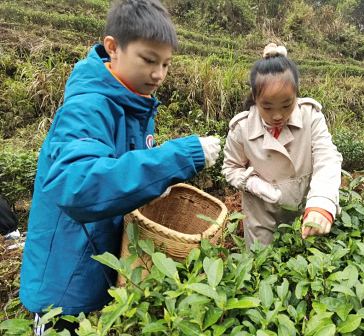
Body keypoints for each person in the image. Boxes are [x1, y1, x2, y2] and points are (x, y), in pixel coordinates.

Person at [20, 0, 221, 334]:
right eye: (148, 60)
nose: (159, 74)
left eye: (166, 64)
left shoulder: (135, 104)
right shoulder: (87, 108)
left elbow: (122, 173)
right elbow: (79, 186)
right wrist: (178, 157)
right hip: (64, 287)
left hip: (99, 270)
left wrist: (159, 181)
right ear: (113, 48)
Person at [222, 43, 342, 247]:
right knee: (260, 264)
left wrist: (321, 202)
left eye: (287, 105)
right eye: (267, 107)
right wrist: (251, 183)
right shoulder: (241, 128)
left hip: (303, 204)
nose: (277, 115)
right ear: (255, 98)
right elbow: (230, 168)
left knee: (300, 258)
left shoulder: (310, 116)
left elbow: (327, 158)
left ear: (296, 93)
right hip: (261, 212)